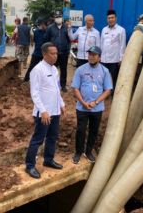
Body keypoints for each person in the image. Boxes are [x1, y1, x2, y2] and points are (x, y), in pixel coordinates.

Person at [25, 42, 66, 179]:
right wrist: (43, 110)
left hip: (55, 111)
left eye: (56, 53)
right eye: (52, 53)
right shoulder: (37, 70)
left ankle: (48, 160)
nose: (55, 56)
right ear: (44, 54)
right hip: (44, 112)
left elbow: (57, 89)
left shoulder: (54, 69)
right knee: (38, 139)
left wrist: (61, 103)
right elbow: (34, 93)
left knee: (52, 137)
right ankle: (30, 165)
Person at [71, 46, 112, 164]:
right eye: (89, 54)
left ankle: (88, 152)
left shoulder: (105, 71)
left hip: (97, 108)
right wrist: (83, 102)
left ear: (99, 57)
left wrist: (96, 102)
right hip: (82, 107)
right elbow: (75, 88)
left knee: (94, 130)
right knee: (81, 130)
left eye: (94, 55)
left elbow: (108, 90)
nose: (91, 57)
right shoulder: (80, 69)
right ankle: (78, 152)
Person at [44, 10, 71, 92]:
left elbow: (69, 39)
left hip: (64, 52)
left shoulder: (66, 28)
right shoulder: (50, 28)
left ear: (62, 18)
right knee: (52, 69)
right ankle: (52, 84)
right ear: (54, 18)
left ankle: (63, 85)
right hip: (53, 54)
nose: (58, 19)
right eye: (56, 17)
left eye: (59, 17)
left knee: (63, 69)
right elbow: (46, 39)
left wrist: (68, 49)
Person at [100, 9, 126, 89]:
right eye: (109, 18)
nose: (110, 19)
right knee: (103, 77)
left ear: (115, 18)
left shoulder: (121, 30)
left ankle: (112, 93)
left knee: (113, 78)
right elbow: (101, 43)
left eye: (112, 17)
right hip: (104, 59)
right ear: (107, 19)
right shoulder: (104, 30)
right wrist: (99, 56)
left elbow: (122, 45)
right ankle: (104, 92)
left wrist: (121, 59)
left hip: (114, 59)